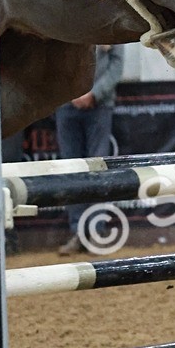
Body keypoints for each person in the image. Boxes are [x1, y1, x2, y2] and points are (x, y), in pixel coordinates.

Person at [55, 44, 124, 255]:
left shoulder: (110, 24)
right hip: (67, 104)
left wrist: (94, 94)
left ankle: (94, 232)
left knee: (97, 168)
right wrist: (73, 93)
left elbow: (117, 65)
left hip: (98, 105)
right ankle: (79, 232)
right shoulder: (62, 25)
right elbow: (54, 65)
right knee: (72, 170)